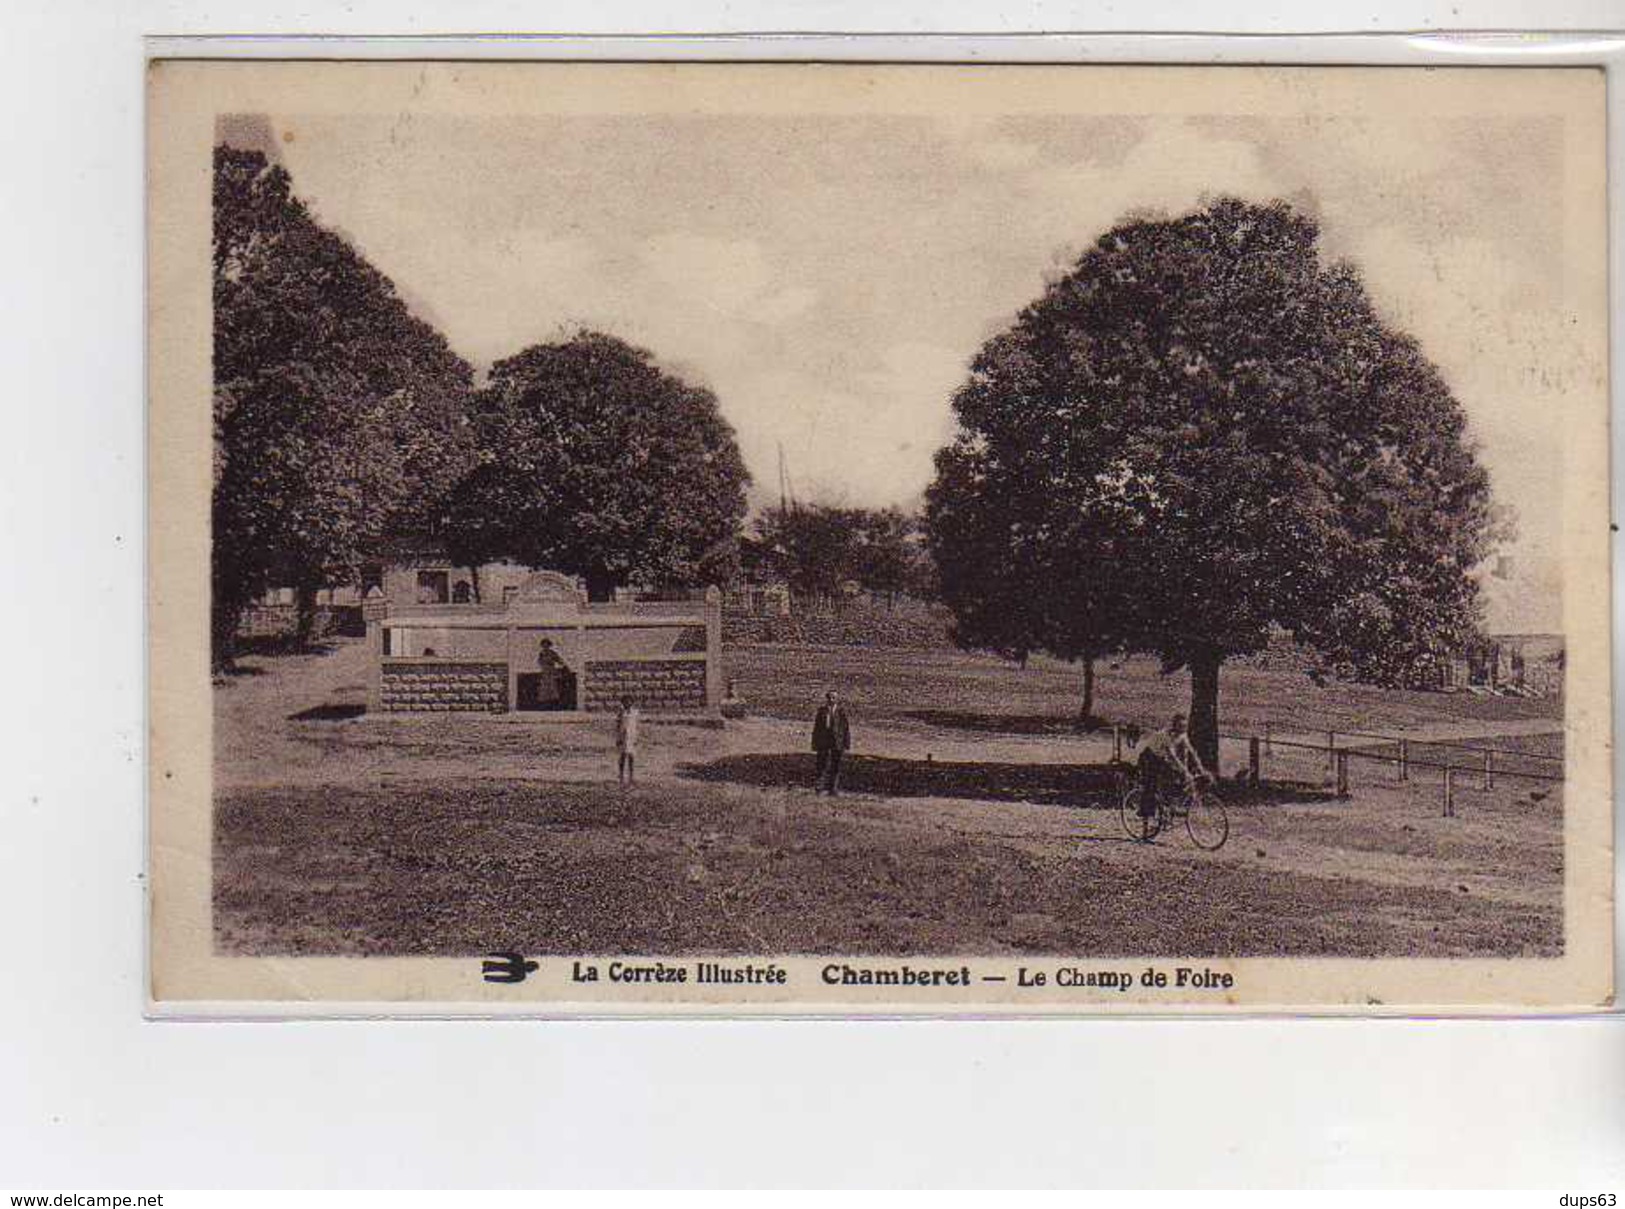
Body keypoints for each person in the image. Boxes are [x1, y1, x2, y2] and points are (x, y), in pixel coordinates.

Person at [1136, 712, 1210, 819]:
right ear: (1174, 726)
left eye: (1184, 726)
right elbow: (1173, 756)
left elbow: (1192, 752)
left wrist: (1201, 769)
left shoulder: (1183, 735)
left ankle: (1169, 805)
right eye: (1180, 726)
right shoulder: (1166, 735)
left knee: (1175, 777)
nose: (1182, 729)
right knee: (1151, 783)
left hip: (1161, 758)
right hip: (1149, 757)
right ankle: (1145, 811)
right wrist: (1185, 771)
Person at [811, 690, 852, 795]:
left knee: (836, 765)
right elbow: (817, 728)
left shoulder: (841, 711)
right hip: (824, 741)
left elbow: (845, 728)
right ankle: (819, 787)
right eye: (830, 698)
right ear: (827, 699)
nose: (831, 700)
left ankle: (833, 789)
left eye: (834, 698)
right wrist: (815, 743)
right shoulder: (822, 711)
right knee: (821, 764)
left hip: (837, 741)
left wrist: (846, 743)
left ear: (837, 699)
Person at [615, 696, 641, 786]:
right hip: (623, 737)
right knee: (622, 756)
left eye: (629, 702)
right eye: (625, 702)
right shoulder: (621, 713)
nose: (627, 703)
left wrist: (636, 737)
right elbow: (618, 726)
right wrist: (618, 738)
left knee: (631, 757)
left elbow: (637, 726)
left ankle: (631, 777)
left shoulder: (635, 712)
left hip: (631, 737)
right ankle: (621, 776)